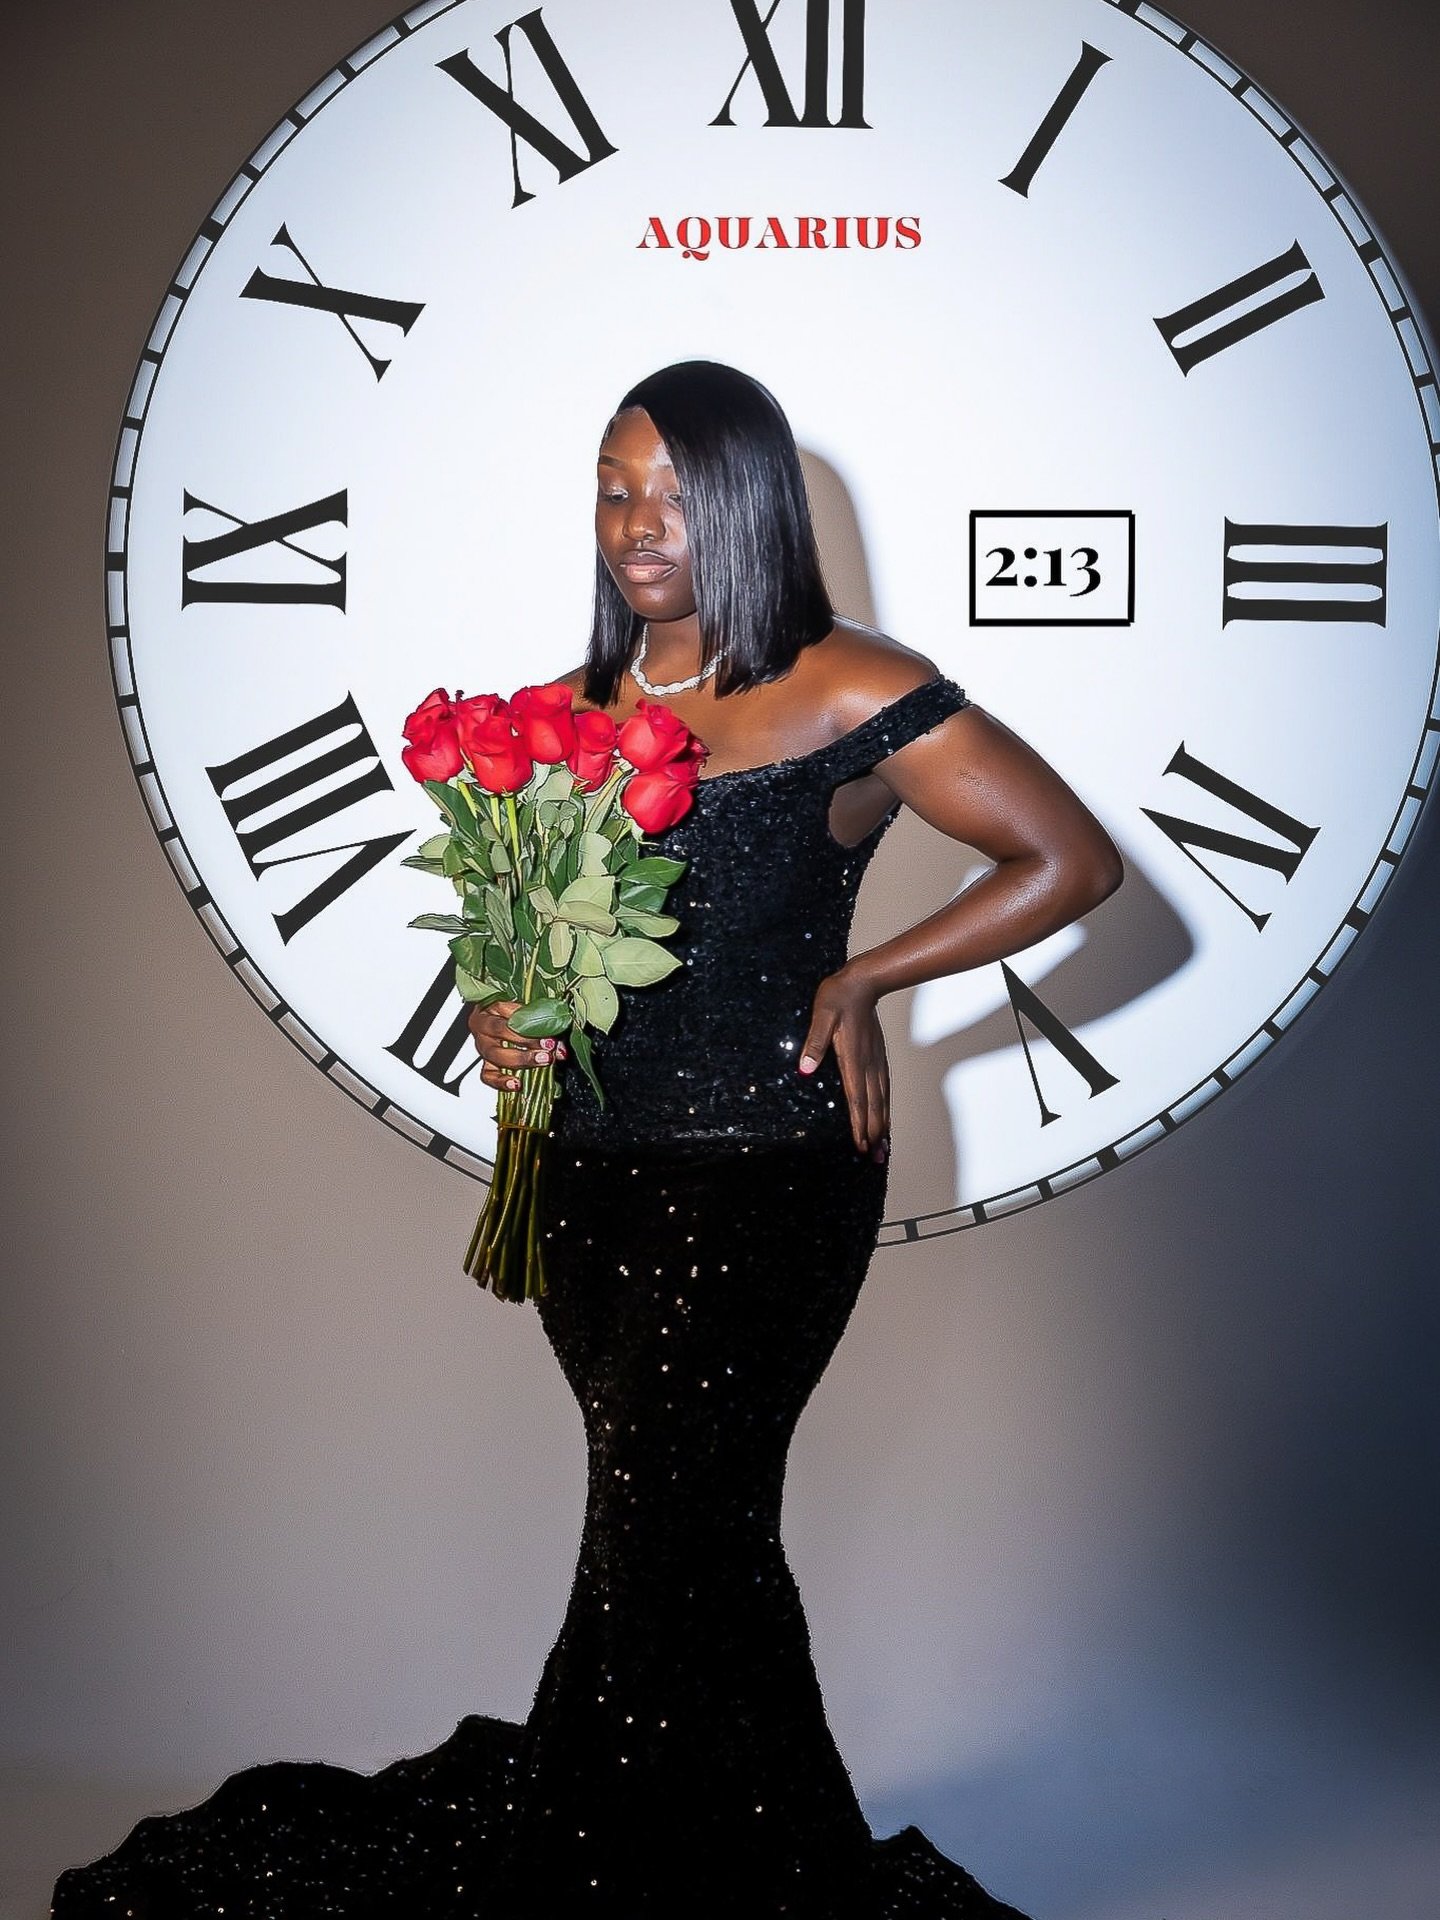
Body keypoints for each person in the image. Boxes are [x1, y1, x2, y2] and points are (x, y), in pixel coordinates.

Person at [50, 363, 1121, 1918]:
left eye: (673, 495)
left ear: (748, 504)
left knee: (674, 1519)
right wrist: (503, 1010)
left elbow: (1067, 858)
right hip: (592, 1179)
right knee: (671, 1531)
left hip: (770, 1172)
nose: (636, 524)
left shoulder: (851, 686)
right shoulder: (566, 716)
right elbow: (523, 947)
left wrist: (867, 977)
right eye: (615, 491)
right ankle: (712, 1861)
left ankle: (670, 1873)